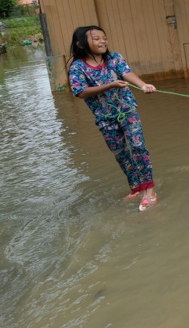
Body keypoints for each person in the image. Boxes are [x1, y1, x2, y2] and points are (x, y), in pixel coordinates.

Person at [67, 25, 159, 211]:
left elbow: (127, 73)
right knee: (121, 154)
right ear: (81, 44)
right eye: (96, 38)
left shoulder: (115, 58)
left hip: (128, 111)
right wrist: (109, 85)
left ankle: (149, 191)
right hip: (104, 118)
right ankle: (136, 188)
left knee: (138, 148)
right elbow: (80, 92)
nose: (103, 41)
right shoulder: (77, 67)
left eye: (104, 38)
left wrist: (143, 85)